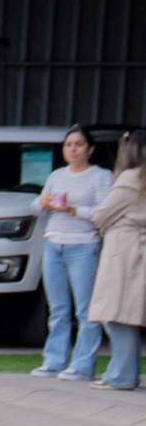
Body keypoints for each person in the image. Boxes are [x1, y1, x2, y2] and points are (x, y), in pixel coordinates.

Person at [33, 127, 113, 378]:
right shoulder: (57, 175)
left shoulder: (101, 176)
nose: (73, 149)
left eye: (79, 144)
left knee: (85, 309)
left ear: (90, 149)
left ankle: (82, 364)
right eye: (68, 145)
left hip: (83, 244)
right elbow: (36, 207)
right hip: (53, 242)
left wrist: (71, 209)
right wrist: (43, 202)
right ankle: (54, 360)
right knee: (58, 308)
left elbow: (103, 212)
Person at [84, 132, 146, 391]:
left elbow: (101, 214)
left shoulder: (131, 178)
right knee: (126, 313)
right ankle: (124, 372)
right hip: (135, 248)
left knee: (116, 313)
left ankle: (122, 375)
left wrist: (114, 221)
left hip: (124, 250)